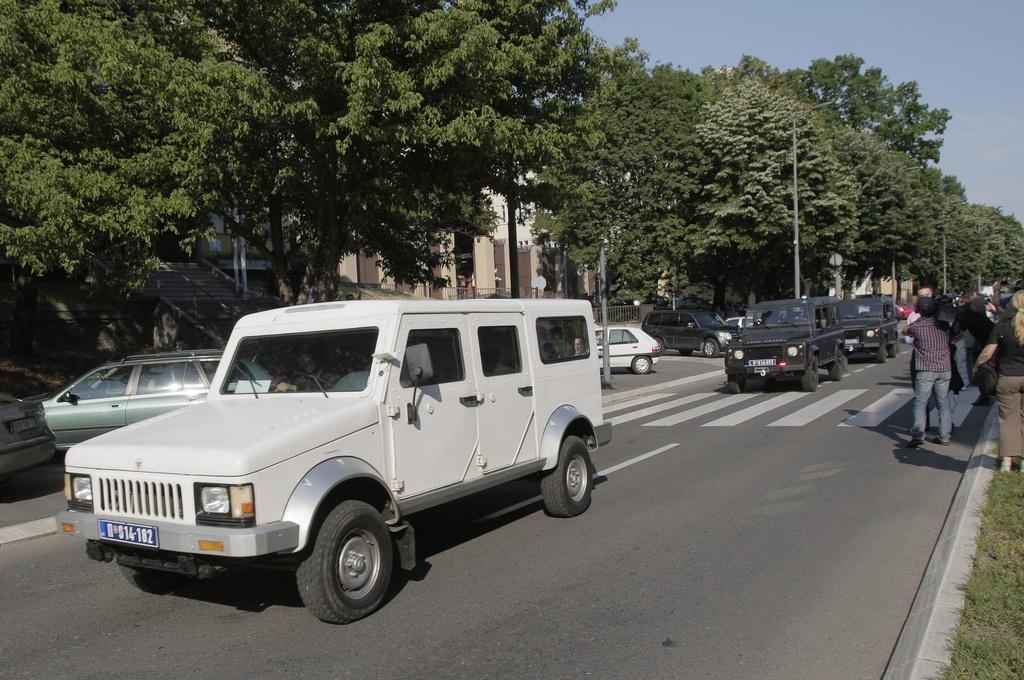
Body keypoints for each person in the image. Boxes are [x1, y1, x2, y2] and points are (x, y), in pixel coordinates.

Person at [974, 290, 1024, 471]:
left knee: (1008, 419)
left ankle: (1007, 461)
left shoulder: (1001, 327)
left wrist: (977, 366)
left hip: (1008, 377)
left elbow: (988, 353)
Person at [904, 296, 952, 447]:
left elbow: (904, 331)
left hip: (925, 369)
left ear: (918, 310)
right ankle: (944, 436)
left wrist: (917, 319)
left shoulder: (917, 327)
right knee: (943, 403)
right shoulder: (943, 325)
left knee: (920, 402)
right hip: (944, 368)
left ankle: (918, 436)